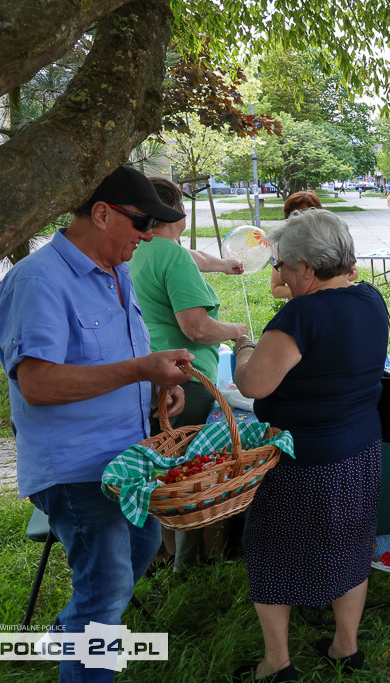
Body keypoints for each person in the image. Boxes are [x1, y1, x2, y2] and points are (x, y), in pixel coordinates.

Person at [0, 165, 193, 683]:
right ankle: (85, 649)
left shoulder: (116, 270)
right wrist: (138, 370)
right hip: (76, 469)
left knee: (143, 544)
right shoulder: (37, 281)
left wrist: (157, 384)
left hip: (125, 459)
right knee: (106, 591)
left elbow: (127, 357)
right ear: (101, 214)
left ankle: (66, 641)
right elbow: (37, 385)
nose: (148, 235)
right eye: (142, 221)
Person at [233, 209, 387, 680]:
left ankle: (276, 664)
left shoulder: (302, 312)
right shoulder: (370, 298)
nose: (278, 274)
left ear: (304, 267)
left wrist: (243, 347)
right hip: (361, 450)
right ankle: (346, 647)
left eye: (280, 266)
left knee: (270, 549)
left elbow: (254, 384)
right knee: (351, 544)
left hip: (305, 459)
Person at [131, 177, 249, 569]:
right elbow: (196, 328)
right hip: (186, 379)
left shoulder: (137, 250)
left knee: (160, 467)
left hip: (144, 375)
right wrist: (237, 332)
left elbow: (194, 257)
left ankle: (161, 552)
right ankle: (190, 564)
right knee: (187, 471)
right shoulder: (173, 257)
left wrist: (222, 265)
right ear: (176, 213)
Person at [271, 191, 324, 299]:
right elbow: (276, 290)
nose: (300, 218)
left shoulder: (328, 239)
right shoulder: (281, 244)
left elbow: (353, 272)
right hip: (299, 309)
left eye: (305, 213)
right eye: (294, 214)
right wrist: (310, 291)